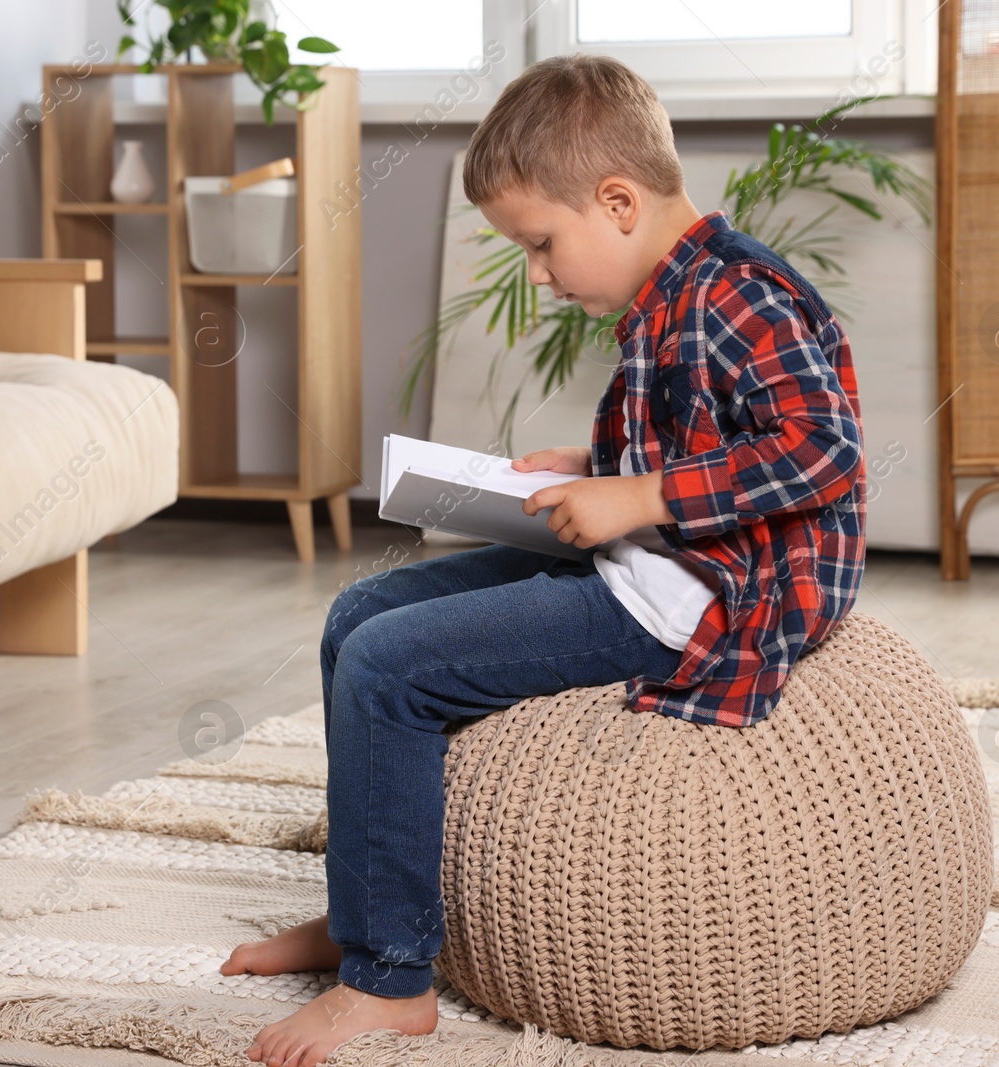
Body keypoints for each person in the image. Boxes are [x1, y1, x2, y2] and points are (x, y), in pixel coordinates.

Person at [223, 52, 867, 1067]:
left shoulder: (735, 296)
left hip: (695, 597)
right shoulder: (672, 290)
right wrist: (596, 464)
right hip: (650, 554)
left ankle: (387, 978)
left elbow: (821, 450)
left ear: (616, 201)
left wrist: (642, 493)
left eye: (539, 243)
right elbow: (707, 433)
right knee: (358, 617)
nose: (535, 271)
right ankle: (362, 913)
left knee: (390, 668)